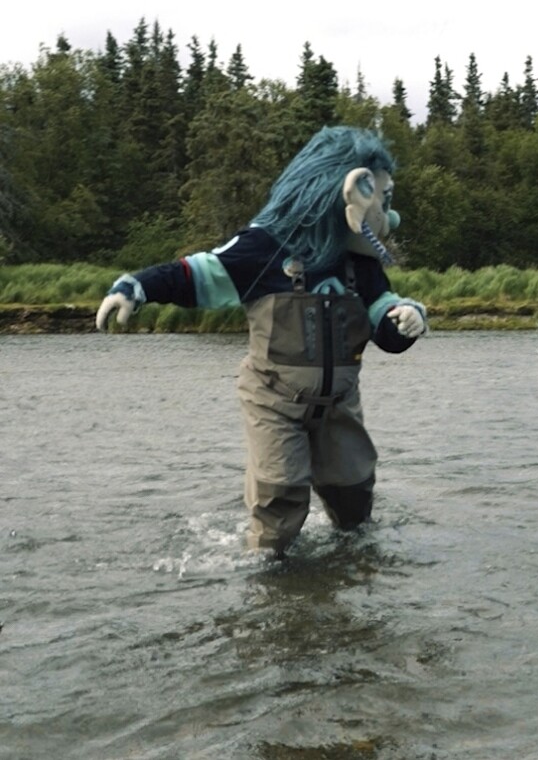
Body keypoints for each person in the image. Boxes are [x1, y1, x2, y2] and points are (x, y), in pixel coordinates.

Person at [95, 126, 429, 556]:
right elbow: (199, 274)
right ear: (349, 189)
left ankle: (354, 563)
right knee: (281, 494)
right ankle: (267, 569)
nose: (390, 215)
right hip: (273, 400)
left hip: (340, 404)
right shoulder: (264, 247)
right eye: (383, 199)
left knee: (354, 495)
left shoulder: (359, 264)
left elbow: (384, 318)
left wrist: (404, 318)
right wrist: (136, 287)